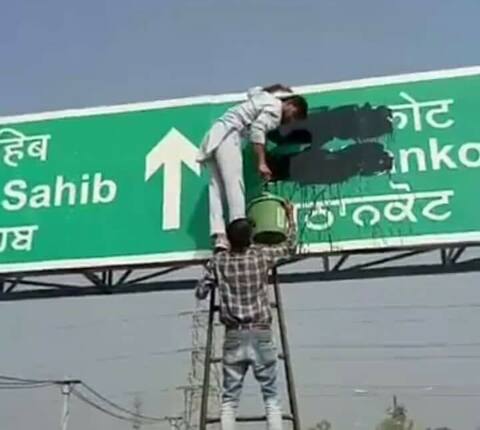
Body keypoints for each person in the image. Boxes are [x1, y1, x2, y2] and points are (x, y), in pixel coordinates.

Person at [195, 203, 297, 430]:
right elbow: (291, 247)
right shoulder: (261, 255)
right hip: (261, 332)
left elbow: (201, 292)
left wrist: (214, 267)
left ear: (229, 240)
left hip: (234, 336)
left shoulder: (219, 261)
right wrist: (291, 217)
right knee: (271, 397)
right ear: (250, 238)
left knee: (229, 401)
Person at [197, 84, 308, 251]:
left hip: (216, 135)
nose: (291, 121)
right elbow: (257, 129)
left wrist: (274, 87)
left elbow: (252, 91)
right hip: (230, 135)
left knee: (217, 188)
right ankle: (239, 229)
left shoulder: (265, 97)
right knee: (235, 182)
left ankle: (220, 236)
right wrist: (262, 162)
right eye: (294, 116)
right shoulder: (276, 110)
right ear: (291, 104)